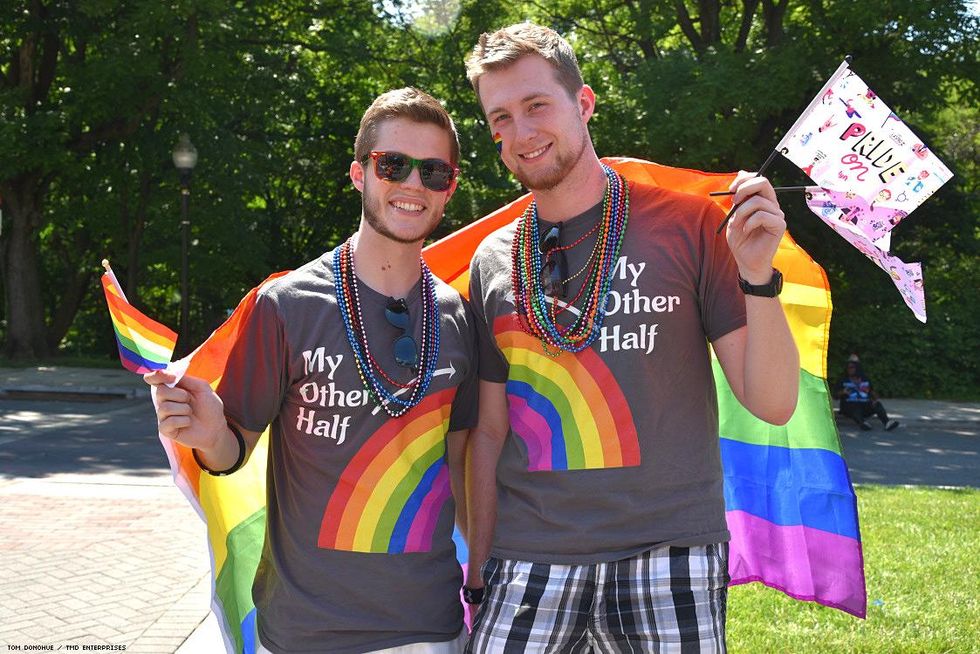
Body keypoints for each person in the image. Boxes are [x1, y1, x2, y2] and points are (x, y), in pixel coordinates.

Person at [461, 23, 800, 652]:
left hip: (672, 554)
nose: (521, 132)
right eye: (500, 117)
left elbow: (773, 402)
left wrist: (757, 277)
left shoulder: (692, 225)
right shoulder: (492, 259)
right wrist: (480, 565)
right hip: (527, 558)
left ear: (583, 103)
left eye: (537, 105)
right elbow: (489, 428)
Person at [146, 88, 478, 654]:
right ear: (359, 174)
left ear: (449, 187)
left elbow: (469, 473)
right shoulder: (286, 304)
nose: (412, 184)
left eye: (434, 172)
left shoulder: (460, 318)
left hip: (429, 629)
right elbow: (231, 452)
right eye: (392, 164)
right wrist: (206, 436)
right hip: (304, 631)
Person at [838, 355, 899, 431]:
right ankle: (863, 423)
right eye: (848, 367)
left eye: (851, 367)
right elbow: (835, 395)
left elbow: (872, 393)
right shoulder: (843, 380)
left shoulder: (865, 379)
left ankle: (887, 423)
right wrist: (843, 392)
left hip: (864, 405)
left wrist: (874, 398)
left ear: (857, 368)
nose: (849, 369)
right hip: (850, 406)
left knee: (877, 404)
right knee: (853, 407)